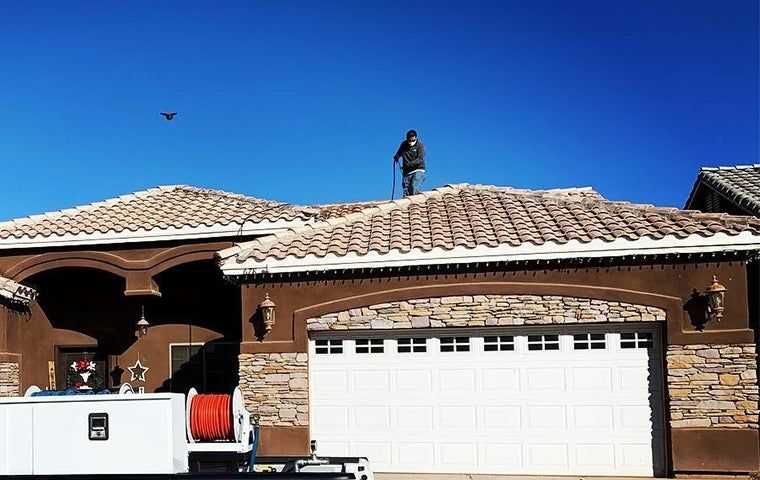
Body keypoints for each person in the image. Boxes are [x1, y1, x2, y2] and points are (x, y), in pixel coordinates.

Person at [393, 129, 426, 196]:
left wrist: (410, 164)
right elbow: (399, 152)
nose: (411, 142)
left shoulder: (420, 145)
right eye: (409, 140)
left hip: (418, 170)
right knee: (406, 192)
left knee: (413, 186)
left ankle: (416, 203)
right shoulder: (404, 144)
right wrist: (396, 157)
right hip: (407, 172)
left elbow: (420, 159)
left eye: (413, 140)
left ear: (416, 138)